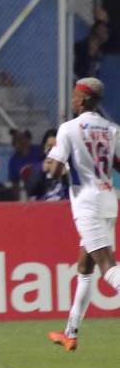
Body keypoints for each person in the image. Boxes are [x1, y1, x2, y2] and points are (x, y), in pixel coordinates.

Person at [46, 79, 120, 352]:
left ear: (83, 99)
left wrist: (52, 158)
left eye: (75, 96)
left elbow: (53, 172)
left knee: (108, 267)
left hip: (87, 204)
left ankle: (71, 331)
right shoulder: (112, 129)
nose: (72, 100)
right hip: (108, 200)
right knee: (85, 269)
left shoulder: (68, 129)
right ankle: (71, 332)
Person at [25, 129, 68, 202]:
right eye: (50, 147)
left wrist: (65, 176)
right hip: (44, 206)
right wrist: (41, 171)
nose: (53, 151)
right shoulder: (38, 167)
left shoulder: (68, 166)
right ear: (44, 148)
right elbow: (31, 190)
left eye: (56, 147)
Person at [74, 9, 110, 79]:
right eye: (101, 24)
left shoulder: (98, 59)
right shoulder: (77, 48)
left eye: (106, 27)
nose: (104, 29)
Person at [8, 129, 43, 199]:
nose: (14, 142)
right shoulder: (14, 160)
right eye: (14, 139)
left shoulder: (39, 151)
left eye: (19, 138)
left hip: (43, 186)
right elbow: (15, 184)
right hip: (28, 192)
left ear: (27, 139)